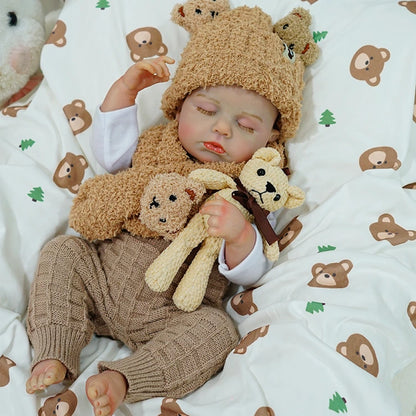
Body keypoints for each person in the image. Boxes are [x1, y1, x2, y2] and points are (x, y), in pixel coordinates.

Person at [25, 6, 309, 416]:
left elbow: (252, 273)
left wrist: (238, 236)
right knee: (62, 253)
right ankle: (56, 350)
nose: (222, 129)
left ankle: (124, 378)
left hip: (173, 314)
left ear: (271, 137)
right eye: (207, 111)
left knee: (215, 333)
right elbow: (111, 154)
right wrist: (126, 91)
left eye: (246, 125)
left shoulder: (255, 187)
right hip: (100, 279)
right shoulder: (157, 146)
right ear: (179, 106)